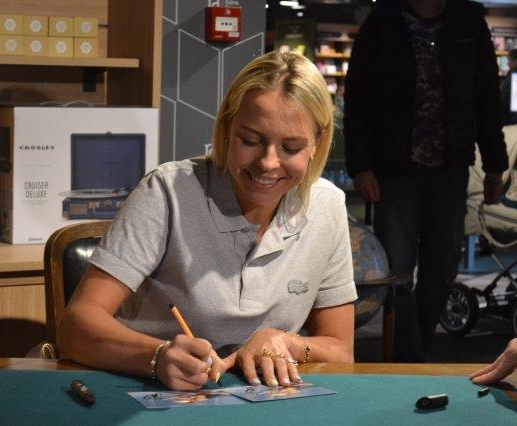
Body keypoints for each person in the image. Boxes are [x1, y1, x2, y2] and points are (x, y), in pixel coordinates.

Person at [57, 50, 357, 391]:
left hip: (264, 401)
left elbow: (341, 350)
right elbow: (75, 327)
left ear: (318, 142)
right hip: (154, 393)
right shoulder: (167, 191)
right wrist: (156, 356)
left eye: (291, 148)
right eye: (250, 140)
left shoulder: (327, 205)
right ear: (227, 127)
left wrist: (286, 342)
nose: (268, 163)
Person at [344, 0, 508, 362]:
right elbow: (358, 98)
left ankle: (413, 347)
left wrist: (495, 165)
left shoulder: (467, 19)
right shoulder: (384, 20)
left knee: (443, 267)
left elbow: (486, 98)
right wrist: (361, 166)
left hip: (450, 169)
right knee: (397, 270)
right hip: (394, 169)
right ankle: (408, 356)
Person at [500, 49, 517, 126]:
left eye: (509, 60)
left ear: (515, 61)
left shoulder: (514, 77)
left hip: (510, 121)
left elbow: (503, 100)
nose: (508, 63)